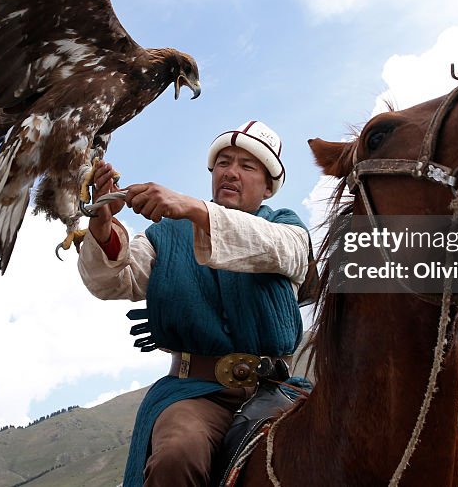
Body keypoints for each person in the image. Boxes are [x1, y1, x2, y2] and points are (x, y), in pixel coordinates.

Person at [77, 120, 311, 487]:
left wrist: (192, 208)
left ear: (268, 187)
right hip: (195, 394)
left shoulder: (286, 229)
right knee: (177, 454)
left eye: (247, 166)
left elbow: (280, 249)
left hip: (276, 389)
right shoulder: (166, 233)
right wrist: (103, 228)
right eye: (223, 162)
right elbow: (113, 280)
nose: (231, 172)